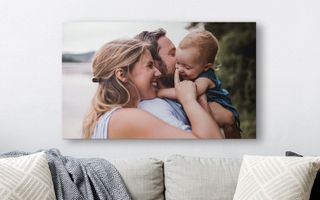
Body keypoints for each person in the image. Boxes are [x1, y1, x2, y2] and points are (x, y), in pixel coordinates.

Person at [82, 38, 222, 139]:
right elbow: (212, 146)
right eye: (149, 66)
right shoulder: (126, 118)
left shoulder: (115, 117)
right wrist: (188, 99)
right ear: (122, 74)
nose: (158, 73)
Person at [157, 30, 241, 138]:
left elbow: (187, 93)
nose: (180, 69)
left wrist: (161, 92)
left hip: (220, 111)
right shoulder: (192, 71)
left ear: (206, 66)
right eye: (178, 63)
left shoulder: (205, 79)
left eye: (187, 67)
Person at [135, 29, 192, 131]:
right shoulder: (154, 109)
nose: (181, 58)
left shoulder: (176, 97)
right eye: (172, 54)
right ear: (153, 64)